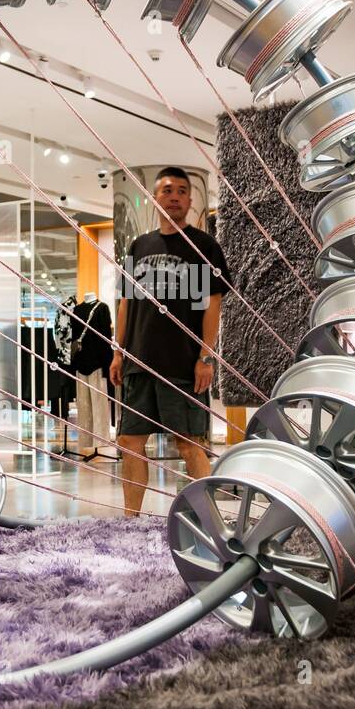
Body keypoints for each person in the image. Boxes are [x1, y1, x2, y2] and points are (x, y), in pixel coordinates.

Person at [109, 167, 230, 515]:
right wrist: (119, 352)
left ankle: (208, 518)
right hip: (138, 362)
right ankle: (130, 517)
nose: (174, 196)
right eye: (167, 190)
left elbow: (213, 304)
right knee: (130, 441)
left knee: (190, 443)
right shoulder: (139, 245)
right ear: (155, 198)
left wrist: (206, 358)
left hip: (183, 362)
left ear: (190, 201)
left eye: (181, 190)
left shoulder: (204, 245)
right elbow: (126, 304)